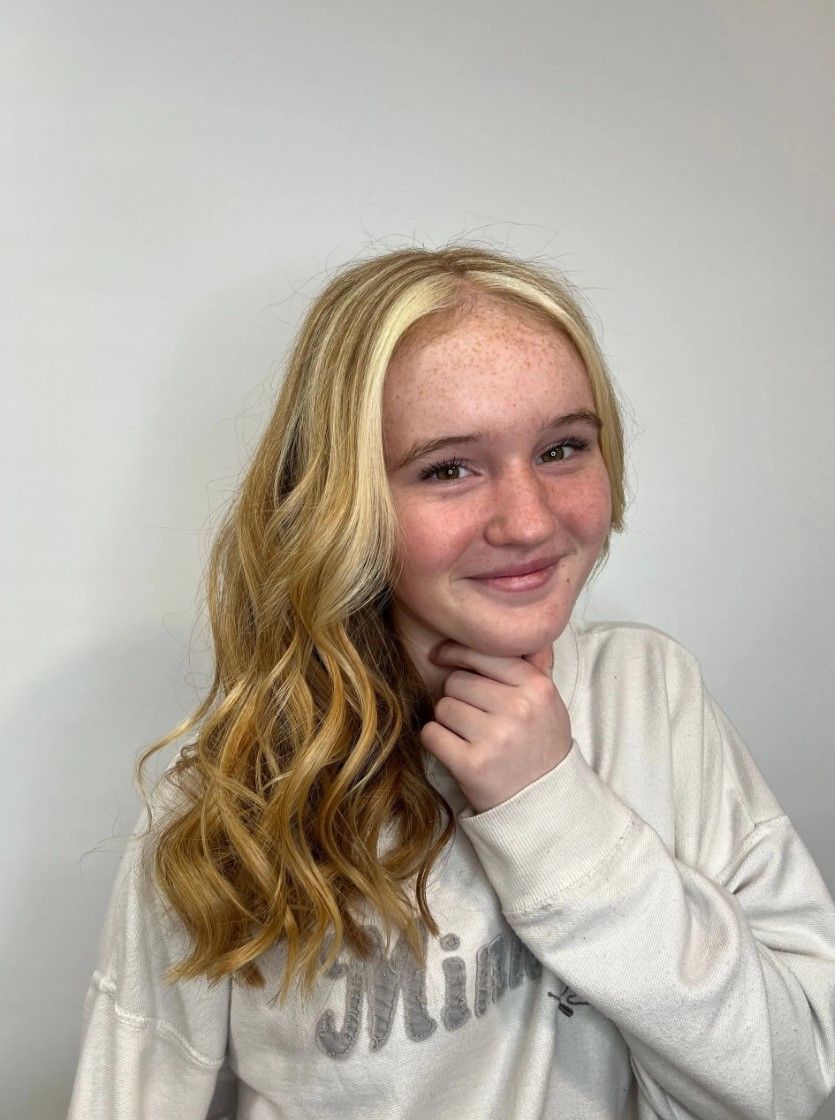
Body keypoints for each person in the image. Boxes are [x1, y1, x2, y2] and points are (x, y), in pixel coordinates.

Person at [67, 244, 835, 1119]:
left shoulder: (651, 698)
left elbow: (794, 1083)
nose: (528, 519)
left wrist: (554, 811)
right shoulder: (225, 800)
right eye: (447, 468)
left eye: (561, 448)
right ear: (342, 501)